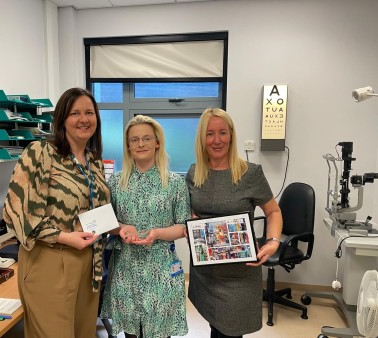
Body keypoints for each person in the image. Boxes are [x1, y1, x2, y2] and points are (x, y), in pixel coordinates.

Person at [3, 87, 110, 338]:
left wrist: (118, 227)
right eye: (75, 113)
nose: (84, 119)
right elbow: (17, 211)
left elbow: (97, 209)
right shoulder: (41, 152)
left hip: (89, 263)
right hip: (50, 259)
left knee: (84, 333)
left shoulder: (93, 160)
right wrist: (64, 237)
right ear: (61, 119)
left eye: (89, 113)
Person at [185, 108, 283, 338]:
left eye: (222, 133)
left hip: (239, 276)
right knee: (215, 329)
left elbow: (273, 212)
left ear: (232, 134)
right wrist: (191, 218)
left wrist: (273, 242)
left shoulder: (250, 174)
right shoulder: (194, 173)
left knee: (230, 331)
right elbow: (188, 209)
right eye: (210, 134)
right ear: (202, 138)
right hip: (205, 274)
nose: (216, 140)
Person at [100, 115, 190, 338]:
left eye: (147, 138)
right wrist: (121, 228)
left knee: (160, 333)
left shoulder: (174, 183)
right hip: (126, 268)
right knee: (131, 333)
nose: (141, 144)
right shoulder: (117, 183)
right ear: (128, 146)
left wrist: (157, 233)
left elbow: (183, 226)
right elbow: (105, 223)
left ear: (157, 142)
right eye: (134, 140)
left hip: (161, 269)